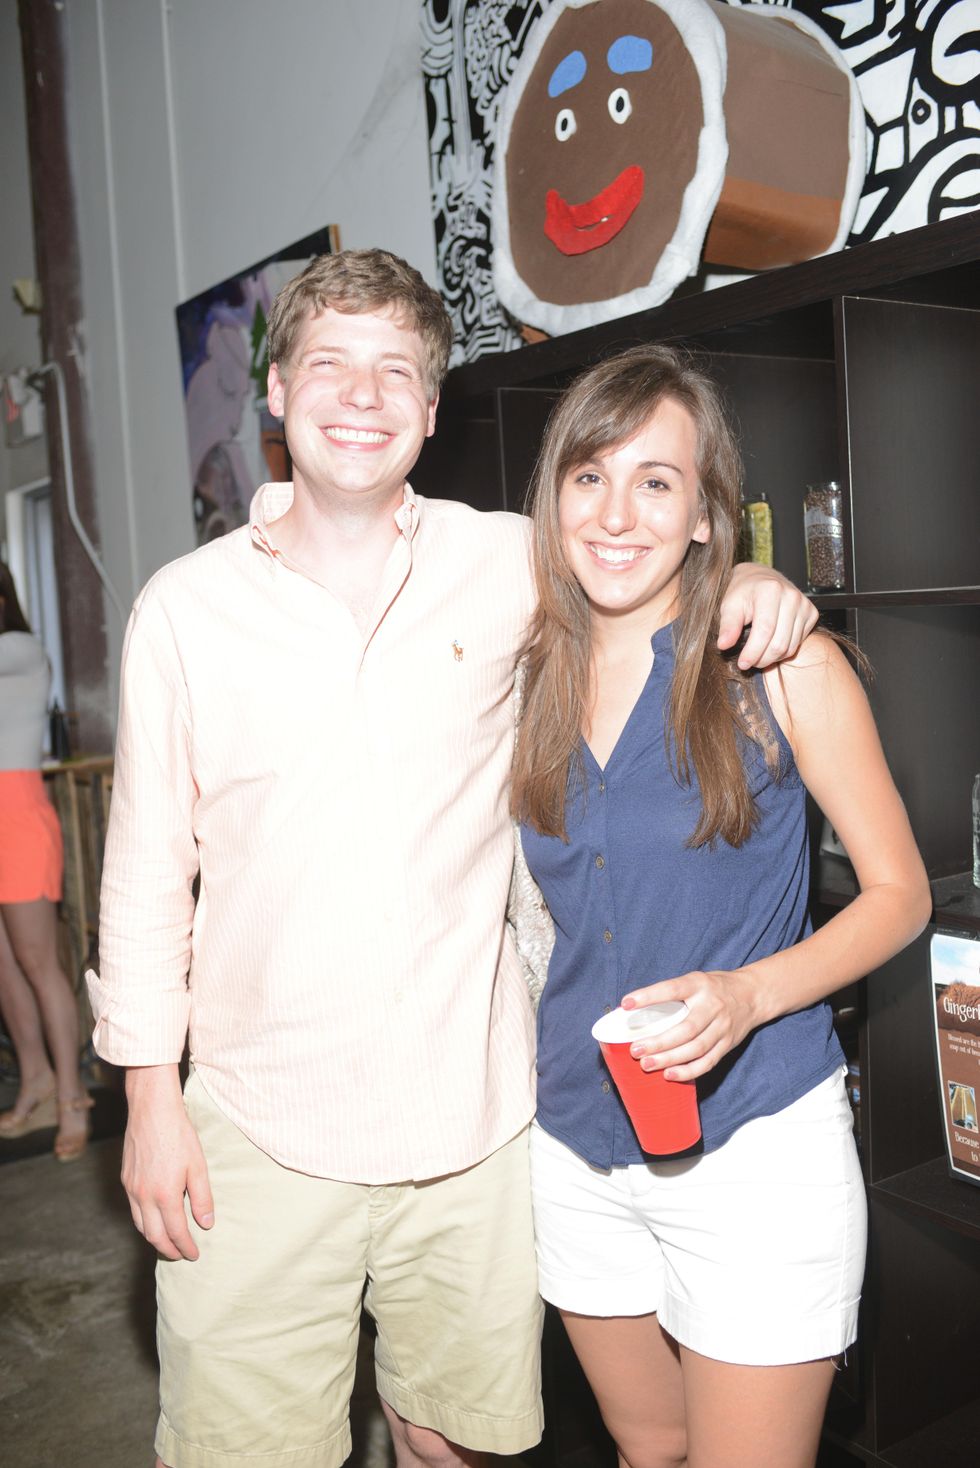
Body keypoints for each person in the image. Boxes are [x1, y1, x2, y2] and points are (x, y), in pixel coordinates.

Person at [88, 249, 818, 1468]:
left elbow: (637, 561)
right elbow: (145, 875)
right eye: (328, 364)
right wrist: (147, 1100)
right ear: (275, 395)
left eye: (395, 372)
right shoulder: (183, 609)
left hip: (471, 1125)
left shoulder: (508, 563)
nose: (360, 396)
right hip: (257, 1128)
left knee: (454, 1444)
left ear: (430, 411)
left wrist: (743, 573)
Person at [512, 344, 932, 1468]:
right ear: (551, 496)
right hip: (574, 1145)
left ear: (705, 515)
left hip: (754, 1150)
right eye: (588, 474)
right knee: (646, 1448)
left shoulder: (773, 665)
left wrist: (749, 994)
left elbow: (898, 894)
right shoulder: (525, 674)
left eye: (656, 481)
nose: (615, 512)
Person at [0, 561, 92, 1161]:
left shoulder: (21, 649)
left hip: (19, 817)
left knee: (39, 964)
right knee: (5, 966)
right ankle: (34, 1079)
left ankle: (71, 1094)